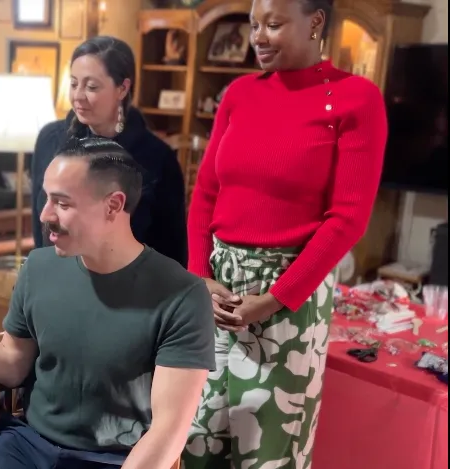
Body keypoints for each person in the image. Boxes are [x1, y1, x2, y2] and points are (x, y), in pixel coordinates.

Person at [0, 138, 215, 469]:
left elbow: (168, 432)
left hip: (112, 459)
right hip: (28, 446)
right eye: (45, 198)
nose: (45, 214)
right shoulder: (39, 267)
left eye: (62, 203)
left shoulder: (181, 295)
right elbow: (12, 363)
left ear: (113, 205)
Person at [181, 0, 388, 468]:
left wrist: (276, 297)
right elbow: (205, 195)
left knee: (270, 453)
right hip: (217, 291)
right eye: (254, 24)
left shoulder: (356, 99)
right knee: (196, 442)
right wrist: (199, 275)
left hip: (290, 298)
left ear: (315, 22)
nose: (258, 36)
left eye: (273, 25)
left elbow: (348, 219)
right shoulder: (238, 94)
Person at [30, 36, 188, 267]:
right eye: (74, 83)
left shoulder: (157, 158)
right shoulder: (50, 141)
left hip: (131, 293)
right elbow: (39, 230)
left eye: (91, 86)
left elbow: (172, 254)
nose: (78, 96)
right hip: (57, 288)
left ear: (122, 88)